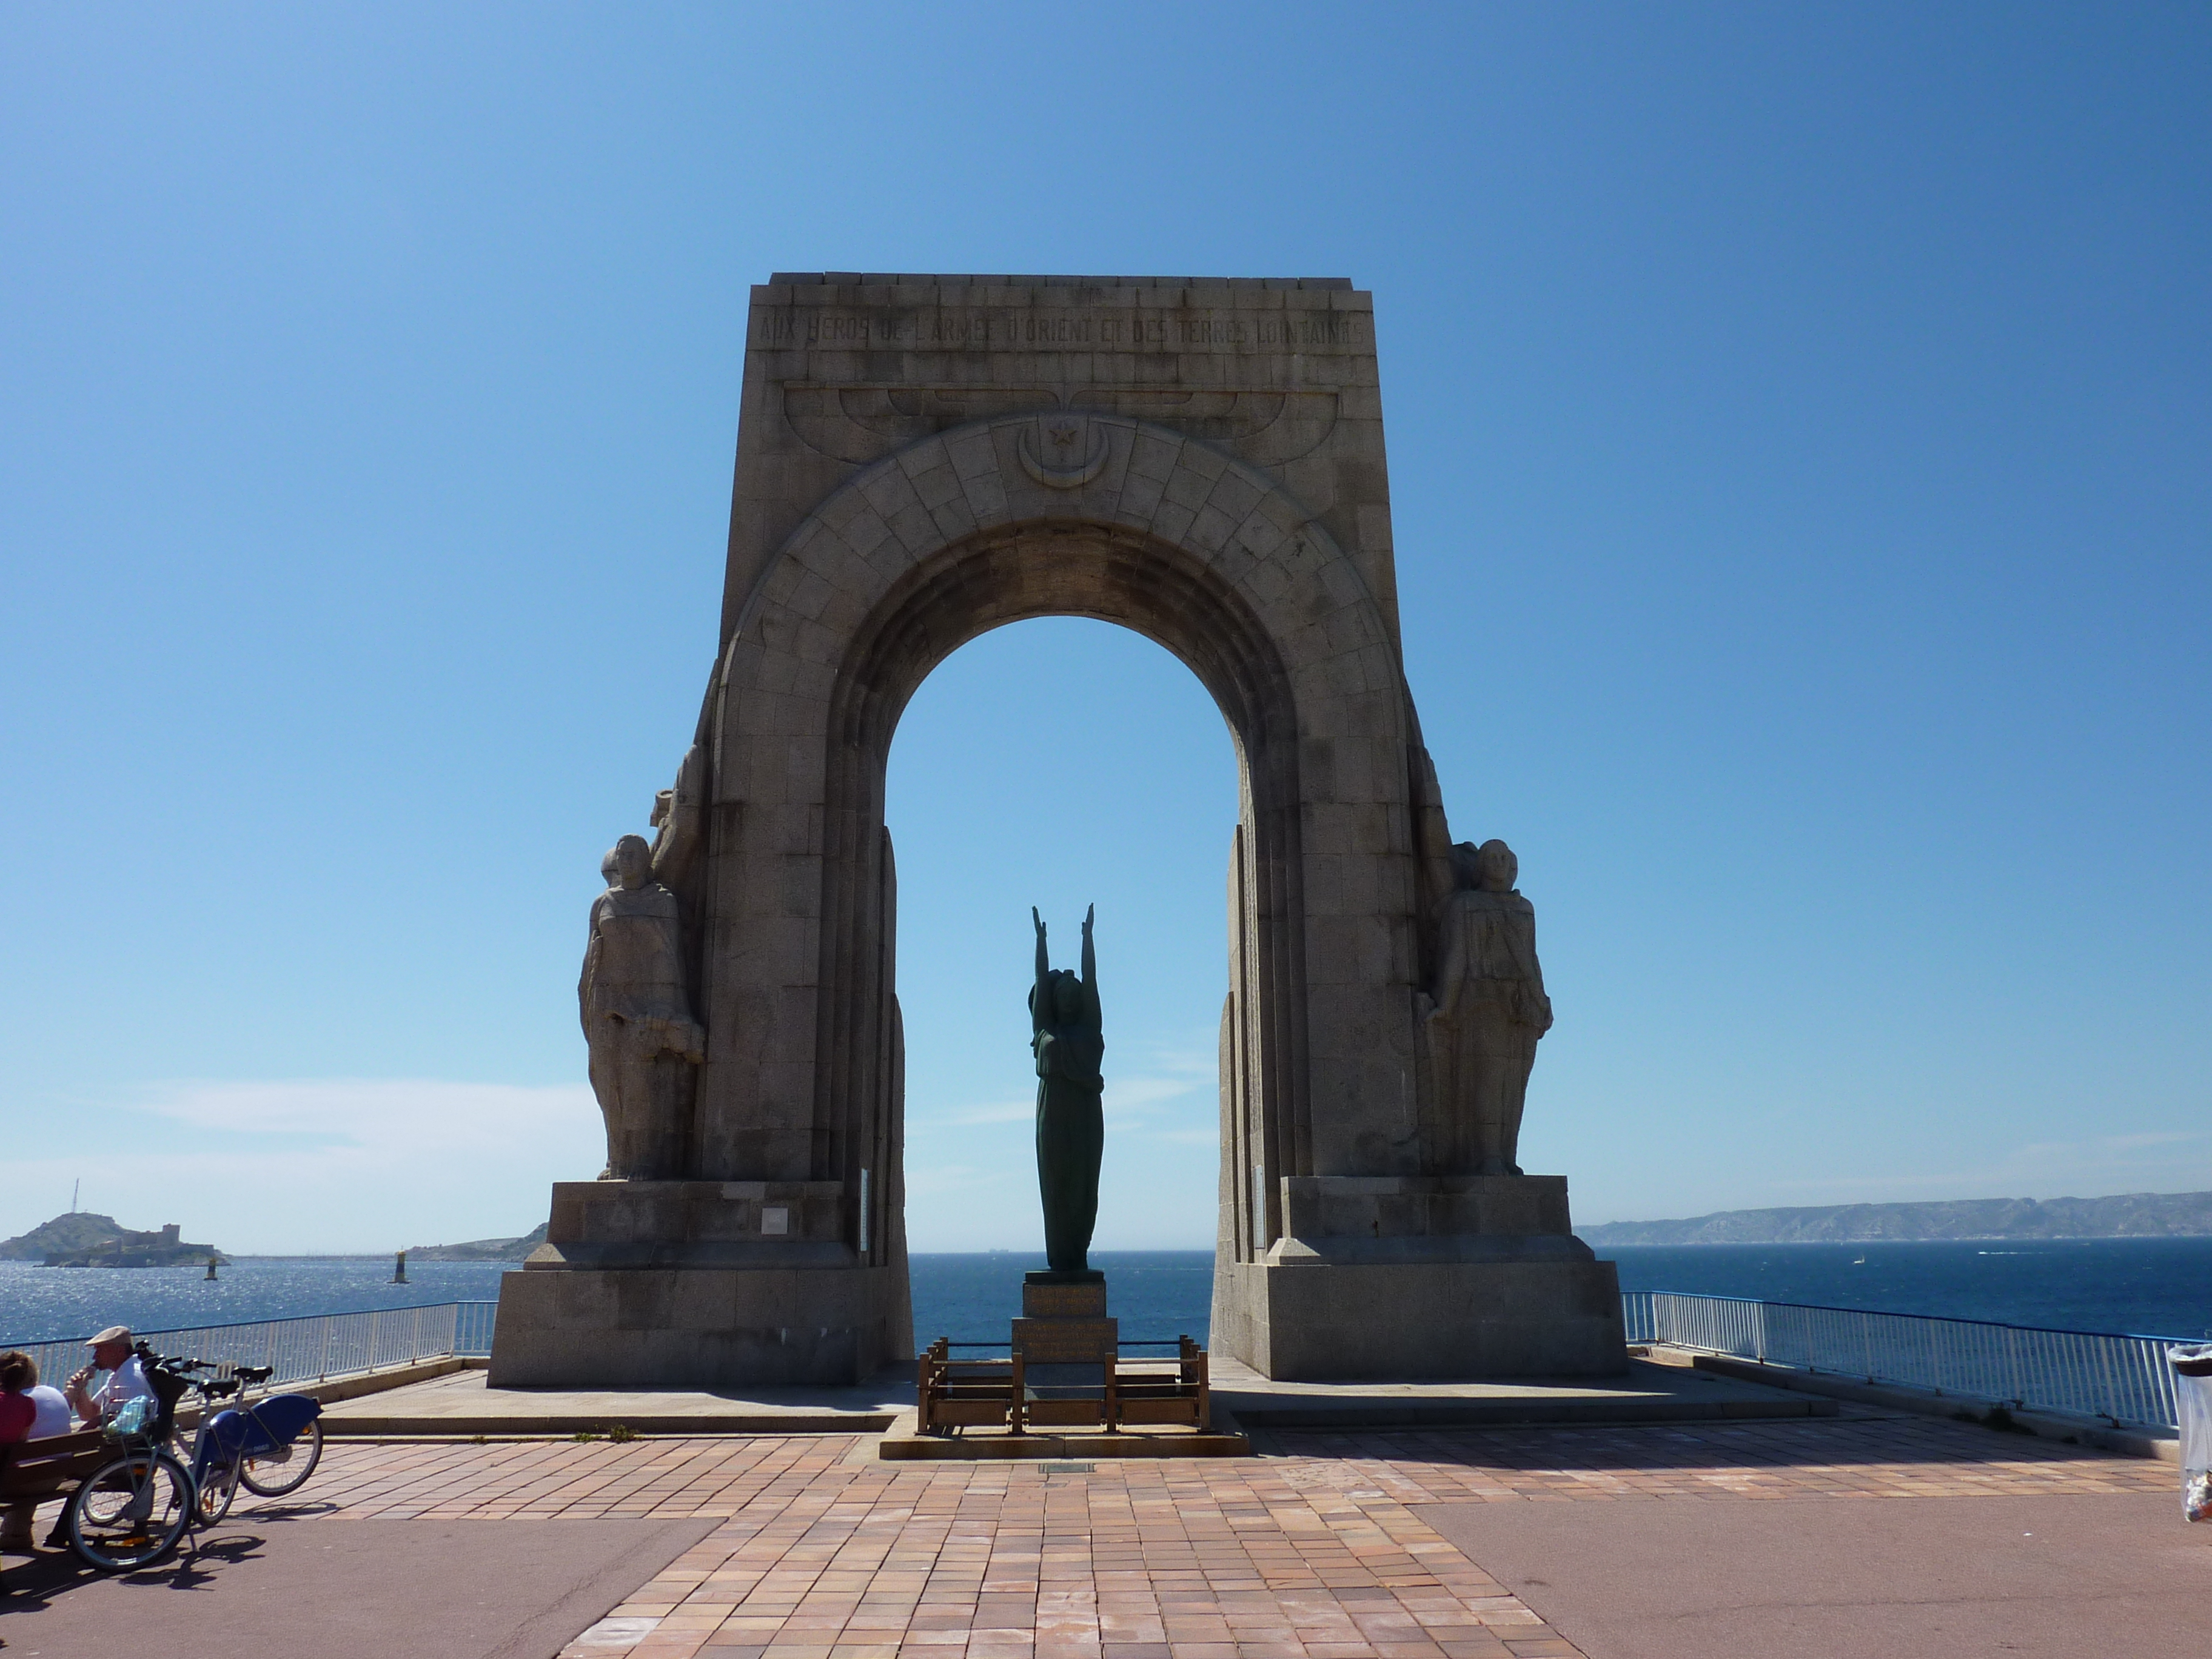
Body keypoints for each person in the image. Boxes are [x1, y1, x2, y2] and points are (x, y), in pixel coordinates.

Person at [1030, 904, 1104, 1275]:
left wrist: (1087, 938)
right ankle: (1060, 1258)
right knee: (1056, 1187)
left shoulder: (1090, 1028)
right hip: (1053, 1113)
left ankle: (1080, 1254)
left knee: (1084, 1188)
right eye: (1064, 996)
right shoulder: (1044, 1030)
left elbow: (1091, 981)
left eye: (1076, 995)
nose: (1072, 1000)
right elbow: (1041, 983)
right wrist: (1041, 943)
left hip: (1087, 1114)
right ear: (1055, 1003)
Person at [0, 1351, 72, 1552]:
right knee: (27, 1467)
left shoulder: (18, 1401)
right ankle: (17, 1534)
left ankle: (16, 1534)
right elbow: (21, 1442)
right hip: (56, 1476)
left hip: (19, 1481)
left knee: (20, 1471)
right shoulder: (48, 1395)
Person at [64, 1326, 152, 1429]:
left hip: (128, 1443)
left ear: (119, 1351)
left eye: (99, 1351)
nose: (95, 1357)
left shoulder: (132, 1378)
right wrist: (80, 1388)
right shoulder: (119, 1374)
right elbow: (89, 1414)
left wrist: (96, 1422)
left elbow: (132, 1425)